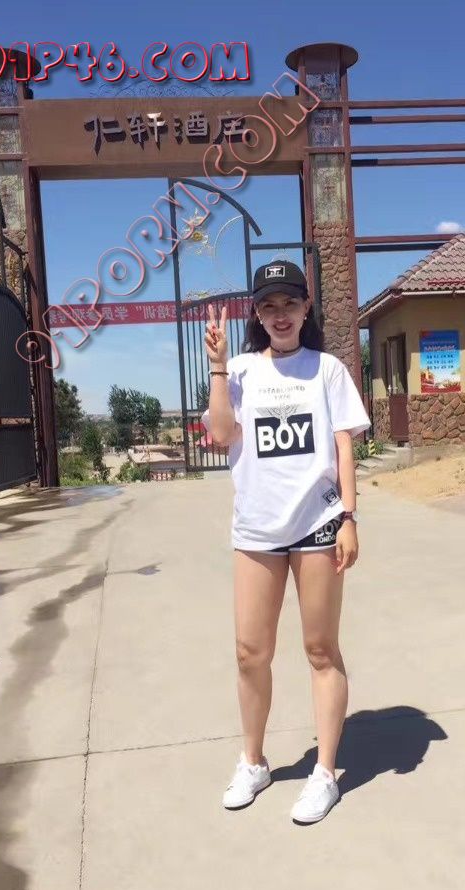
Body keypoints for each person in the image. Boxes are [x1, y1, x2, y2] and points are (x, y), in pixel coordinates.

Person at [201, 259, 370, 824]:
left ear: (305, 308)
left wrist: (349, 517)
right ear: (256, 313)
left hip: (318, 525)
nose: (280, 315)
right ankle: (253, 762)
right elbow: (221, 434)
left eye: (290, 303)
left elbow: (344, 446)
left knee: (321, 650)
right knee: (250, 653)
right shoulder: (240, 370)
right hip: (257, 529)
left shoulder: (327, 370)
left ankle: (325, 773)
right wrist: (218, 367)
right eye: (268, 305)